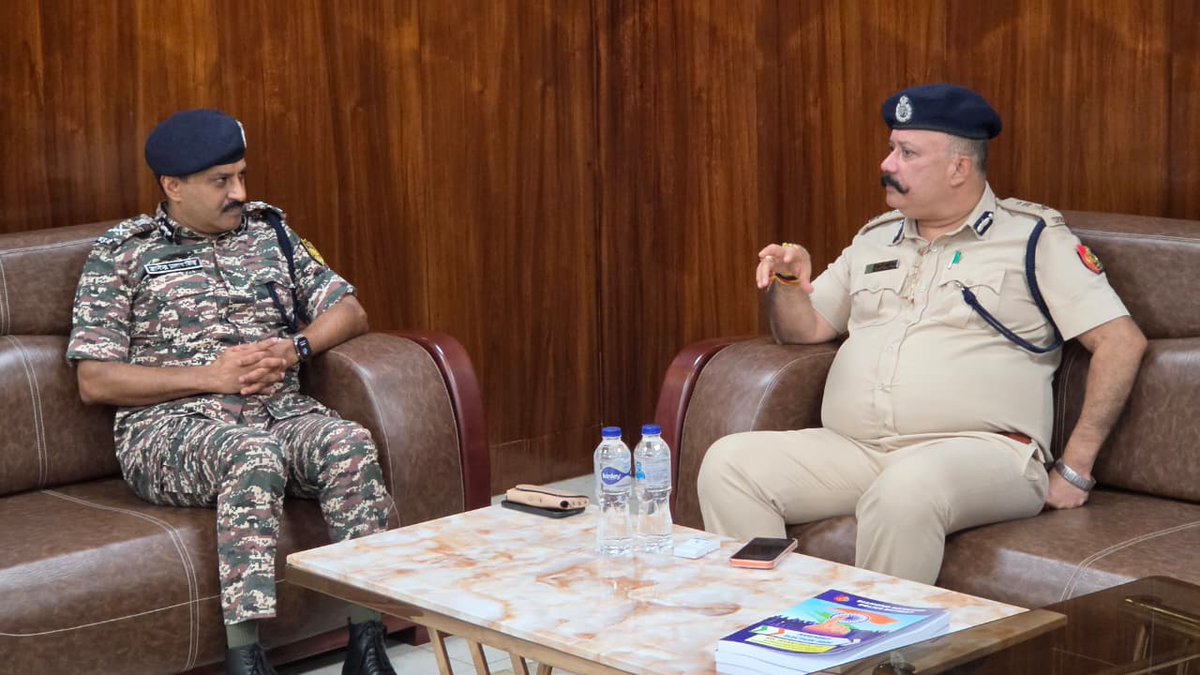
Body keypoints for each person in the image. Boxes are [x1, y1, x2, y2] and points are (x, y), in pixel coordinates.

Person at [696, 84, 1147, 585]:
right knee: (731, 464)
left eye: (907, 153)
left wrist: (1076, 467)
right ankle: (776, 633)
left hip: (986, 453)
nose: (888, 163)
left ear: (958, 167)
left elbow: (1120, 341)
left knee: (906, 489)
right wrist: (786, 282)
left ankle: (870, 657)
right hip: (860, 450)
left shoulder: (1033, 239)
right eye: (892, 149)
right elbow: (806, 329)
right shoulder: (874, 239)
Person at [67, 109, 398, 675]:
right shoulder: (123, 254)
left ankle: (366, 645)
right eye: (222, 181)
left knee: (347, 442)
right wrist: (209, 377)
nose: (240, 192)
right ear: (173, 186)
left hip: (279, 412)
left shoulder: (272, 233)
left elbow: (350, 310)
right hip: (171, 430)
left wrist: (297, 346)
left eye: (241, 175)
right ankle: (246, 658)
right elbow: (95, 380)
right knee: (252, 455)